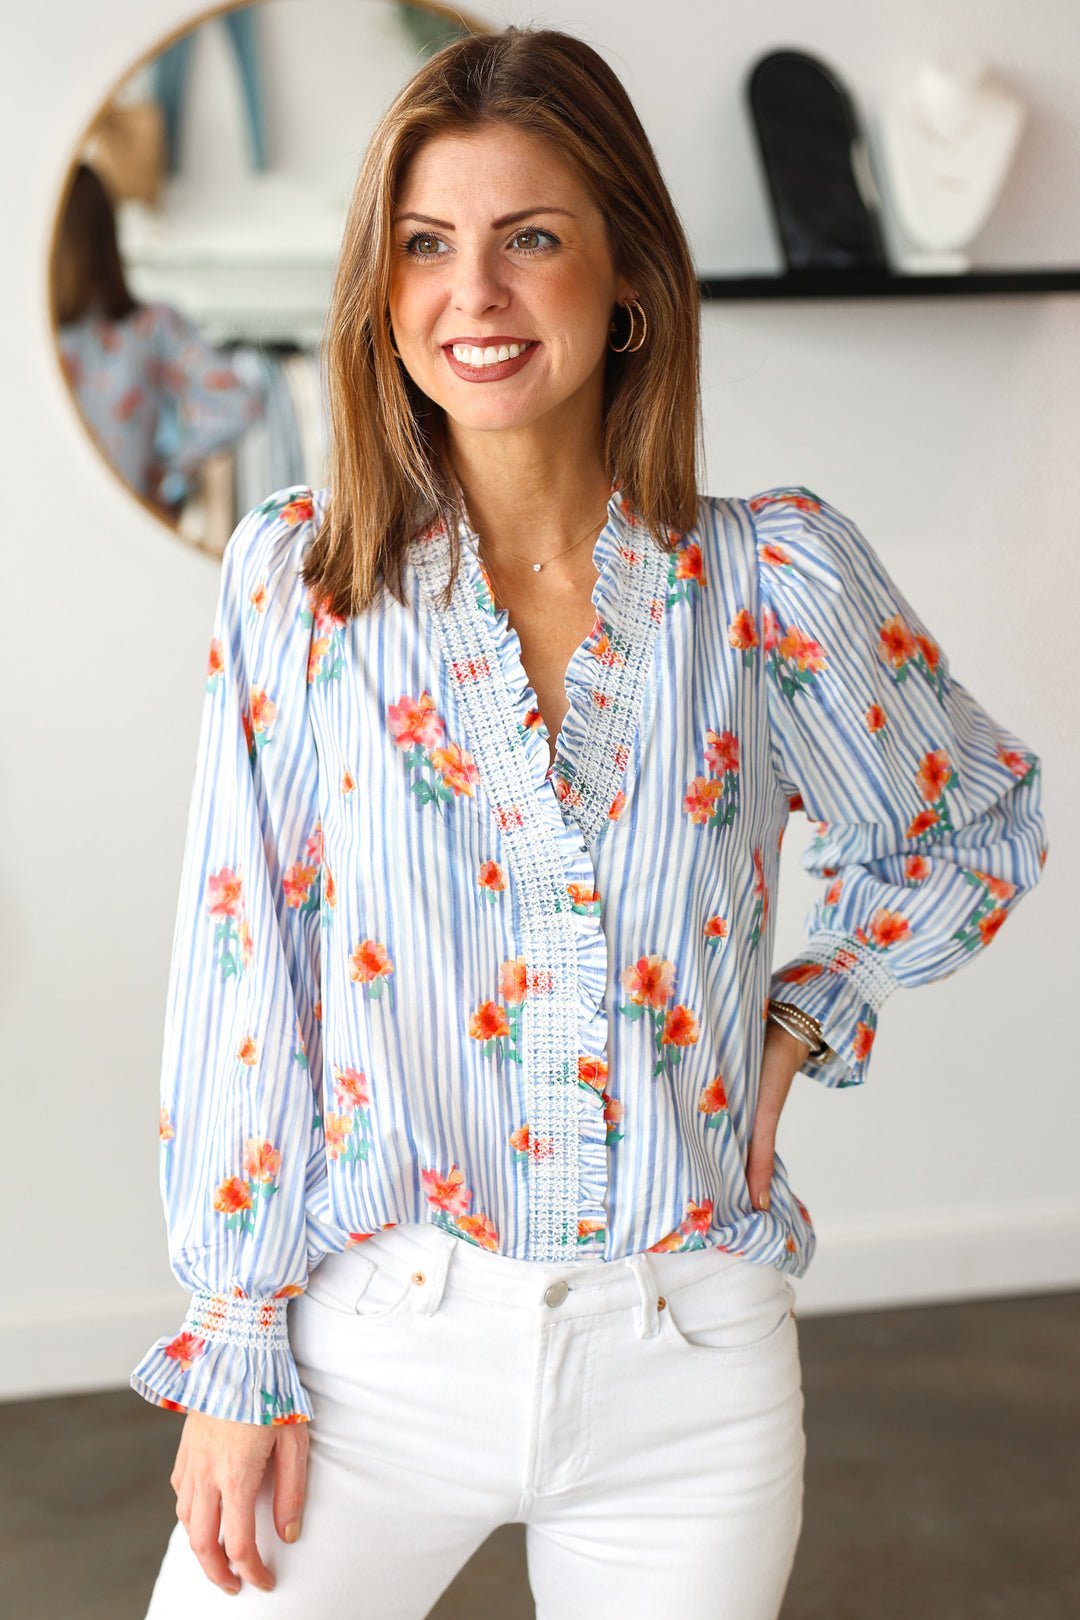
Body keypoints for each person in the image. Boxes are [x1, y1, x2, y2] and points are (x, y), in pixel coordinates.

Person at [131, 26, 1045, 1620]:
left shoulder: (772, 581)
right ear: (380, 284)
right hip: (372, 1348)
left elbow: (974, 820)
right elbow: (239, 967)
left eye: (529, 238)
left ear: (627, 278)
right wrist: (230, 1338)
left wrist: (803, 1016)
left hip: (684, 1368)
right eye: (426, 245)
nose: (470, 295)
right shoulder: (301, 581)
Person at [54, 163, 262, 518]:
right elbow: (238, 402)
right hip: (127, 524)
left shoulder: (24, 336)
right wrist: (166, 475)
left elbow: (239, 403)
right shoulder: (153, 326)